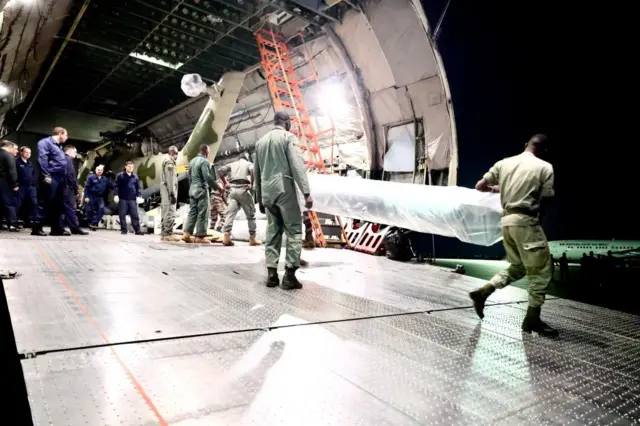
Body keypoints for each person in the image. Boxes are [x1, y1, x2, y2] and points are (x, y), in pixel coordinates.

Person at [469, 134, 557, 337]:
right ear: (543, 150)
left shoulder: (504, 163)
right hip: (526, 222)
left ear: (526, 144)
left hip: (506, 222)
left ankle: (483, 292)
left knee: (518, 267)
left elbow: (480, 186)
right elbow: (545, 197)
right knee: (541, 272)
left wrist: (501, 188)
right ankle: (532, 320)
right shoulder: (544, 167)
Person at [253, 111, 313, 289]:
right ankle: (289, 276)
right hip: (284, 190)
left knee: (273, 232)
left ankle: (272, 275)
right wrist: (306, 192)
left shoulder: (260, 142)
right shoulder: (289, 138)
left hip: (267, 193)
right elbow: (297, 166)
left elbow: (256, 172)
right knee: (294, 231)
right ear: (286, 122)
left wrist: (259, 199)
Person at [32, 127, 69, 236]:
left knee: (58, 204)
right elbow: (42, 159)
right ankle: (36, 228)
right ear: (60, 133)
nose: (67, 137)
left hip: (60, 178)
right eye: (66, 135)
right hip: (51, 177)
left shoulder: (59, 146)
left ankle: (57, 229)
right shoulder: (45, 143)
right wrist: (46, 175)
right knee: (44, 202)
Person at [219, 154, 262, 246]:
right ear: (246, 158)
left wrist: (225, 182)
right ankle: (252, 239)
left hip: (232, 191)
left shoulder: (232, 164)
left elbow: (220, 171)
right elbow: (253, 170)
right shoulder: (248, 163)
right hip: (244, 191)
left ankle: (226, 237)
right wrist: (251, 183)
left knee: (230, 215)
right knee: (251, 215)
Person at [182, 144, 219, 243]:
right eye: (209, 152)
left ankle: (186, 234)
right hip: (201, 190)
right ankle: (199, 237)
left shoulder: (192, 161)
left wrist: (192, 186)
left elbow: (188, 176)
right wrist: (217, 187)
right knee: (203, 213)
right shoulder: (204, 161)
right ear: (206, 151)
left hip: (192, 189)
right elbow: (207, 176)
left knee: (192, 212)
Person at [62, 145, 88, 235]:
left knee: (62, 209)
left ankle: (62, 228)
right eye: (75, 151)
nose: (76, 153)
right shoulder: (68, 159)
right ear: (70, 151)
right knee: (71, 208)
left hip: (61, 187)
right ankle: (75, 228)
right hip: (67, 188)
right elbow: (70, 175)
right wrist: (76, 188)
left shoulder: (61, 158)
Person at [114, 161, 143, 235]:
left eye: (132, 167)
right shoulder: (120, 175)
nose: (131, 168)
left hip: (132, 199)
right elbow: (116, 186)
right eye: (129, 166)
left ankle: (137, 230)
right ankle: (124, 230)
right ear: (125, 167)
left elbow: (138, 187)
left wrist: (139, 196)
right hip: (123, 198)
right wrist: (116, 195)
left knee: (135, 215)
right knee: (122, 215)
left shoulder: (135, 176)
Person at [160, 145, 180, 241]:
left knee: (165, 210)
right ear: (174, 153)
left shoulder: (165, 161)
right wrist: (172, 193)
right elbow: (170, 179)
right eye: (177, 155)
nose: (177, 157)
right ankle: (168, 234)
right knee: (169, 210)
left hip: (164, 190)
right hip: (169, 191)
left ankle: (164, 233)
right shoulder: (170, 162)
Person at [83, 165, 112, 230]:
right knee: (89, 210)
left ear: (103, 171)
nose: (100, 171)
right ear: (96, 170)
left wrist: (117, 192)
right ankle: (92, 223)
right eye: (98, 170)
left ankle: (94, 223)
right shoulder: (91, 177)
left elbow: (111, 186)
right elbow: (87, 188)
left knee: (101, 210)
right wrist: (86, 196)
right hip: (91, 196)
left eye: (101, 170)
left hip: (100, 197)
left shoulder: (105, 179)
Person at [0, 140, 19, 231]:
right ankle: (12, 224)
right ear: (9, 147)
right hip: (5, 183)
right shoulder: (8, 156)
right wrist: (14, 184)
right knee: (10, 203)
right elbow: (12, 171)